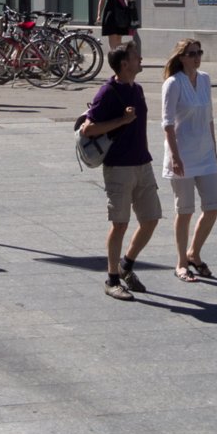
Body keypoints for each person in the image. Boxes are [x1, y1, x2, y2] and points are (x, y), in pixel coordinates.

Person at [81, 41, 160, 300]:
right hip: (118, 168)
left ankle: (127, 265)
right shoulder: (107, 92)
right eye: (136, 55)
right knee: (120, 224)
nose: (140, 58)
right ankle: (112, 279)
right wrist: (121, 121)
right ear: (124, 64)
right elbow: (87, 129)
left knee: (150, 219)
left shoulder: (136, 89)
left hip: (142, 163)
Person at [161, 38, 217, 282]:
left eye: (199, 52)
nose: (197, 57)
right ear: (181, 57)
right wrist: (174, 156)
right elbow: (167, 123)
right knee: (184, 210)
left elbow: (209, 117)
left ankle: (194, 252)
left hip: (205, 153)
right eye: (191, 53)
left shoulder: (205, 79)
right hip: (182, 155)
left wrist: (214, 147)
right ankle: (181, 263)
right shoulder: (173, 83)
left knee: (213, 206)